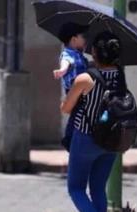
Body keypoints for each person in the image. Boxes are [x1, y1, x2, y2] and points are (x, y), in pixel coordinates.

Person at [60, 31, 124, 212]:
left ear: (95, 52)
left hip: (86, 138)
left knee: (75, 187)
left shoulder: (86, 78)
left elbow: (66, 108)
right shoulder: (120, 76)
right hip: (112, 142)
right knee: (98, 189)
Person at [53, 22, 89, 151]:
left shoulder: (80, 55)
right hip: (73, 90)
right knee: (76, 112)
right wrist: (62, 70)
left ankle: (74, 136)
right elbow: (65, 63)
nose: (85, 39)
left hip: (82, 89)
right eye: (82, 36)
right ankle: (68, 137)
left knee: (79, 112)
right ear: (74, 40)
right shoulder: (68, 54)